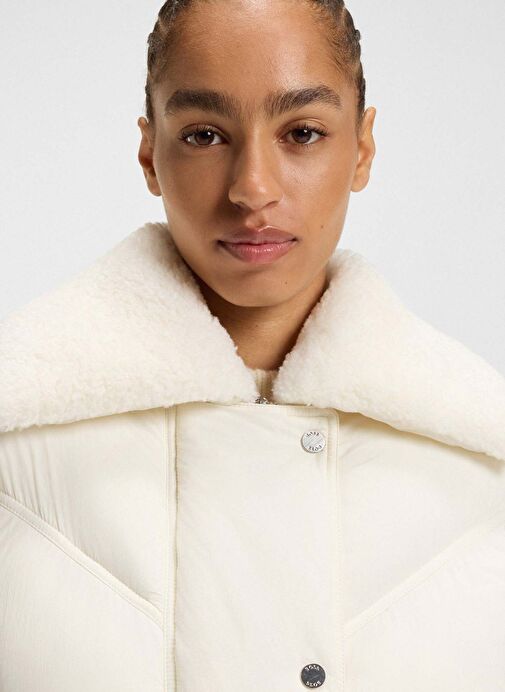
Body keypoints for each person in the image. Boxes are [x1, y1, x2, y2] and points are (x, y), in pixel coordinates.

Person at [1, 1, 504, 690]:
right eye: (205, 135)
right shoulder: (16, 444)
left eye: (302, 133)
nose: (252, 189)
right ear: (150, 155)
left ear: (361, 149)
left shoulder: (481, 462)